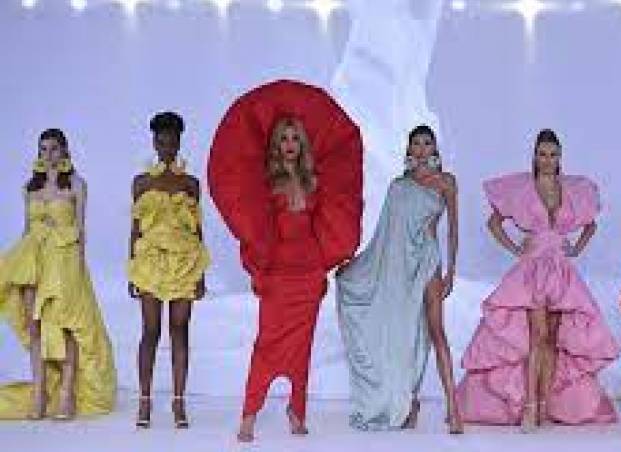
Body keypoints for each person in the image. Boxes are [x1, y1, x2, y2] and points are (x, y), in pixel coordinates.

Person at [207, 80, 363, 442]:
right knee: (267, 344)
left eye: (295, 138)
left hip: (308, 271)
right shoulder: (267, 179)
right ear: (275, 144)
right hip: (279, 271)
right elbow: (254, 219)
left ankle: (297, 411)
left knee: (302, 347)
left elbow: (331, 214)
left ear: (302, 143)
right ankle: (249, 415)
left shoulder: (312, 179)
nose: (290, 144)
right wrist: (262, 263)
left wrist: (330, 256)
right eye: (283, 138)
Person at [457, 129, 618, 432]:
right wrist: (515, 248)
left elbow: (591, 225)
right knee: (537, 336)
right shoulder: (522, 187)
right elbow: (493, 223)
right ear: (534, 156)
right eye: (542, 154)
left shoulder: (572, 189)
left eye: (552, 154)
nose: (547, 159)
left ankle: (545, 405)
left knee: (553, 339)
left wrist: (576, 249)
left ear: (560, 157)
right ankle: (530, 406)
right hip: (532, 270)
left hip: (560, 270)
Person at [337, 125, 463, 433]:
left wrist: (451, 271)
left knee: (436, 330)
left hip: (428, 261)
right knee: (405, 333)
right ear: (409, 149)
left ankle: (453, 406)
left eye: (427, 143)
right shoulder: (398, 186)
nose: (422, 149)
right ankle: (410, 403)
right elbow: (384, 237)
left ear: (435, 149)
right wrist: (357, 265)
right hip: (400, 267)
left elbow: (452, 230)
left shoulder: (446, 182)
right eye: (416, 143)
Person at [0, 128, 116, 420]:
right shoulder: (30, 188)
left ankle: (66, 394)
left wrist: (79, 268)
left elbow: (81, 231)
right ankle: (39, 394)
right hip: (34, 261)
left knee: (66, 325)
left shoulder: (77, 184)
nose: (48, 154)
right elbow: (26, 230)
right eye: (43, 149)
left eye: (53, 148)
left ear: (64, 150)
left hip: (64, 262)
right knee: (35, 326)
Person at [128, 112, 209, 429]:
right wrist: (131, 268)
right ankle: (144, 400)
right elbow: (135, 228)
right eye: (161, 142)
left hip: (184, 262)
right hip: (150, 262)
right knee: (150, 331)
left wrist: (200, 274)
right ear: (154, 142)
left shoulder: (191, 184)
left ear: (179, 143)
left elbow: (197, 230)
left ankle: (178, 401)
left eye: (172, 142)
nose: (166, 148)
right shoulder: (141, 182)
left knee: (180, 330)